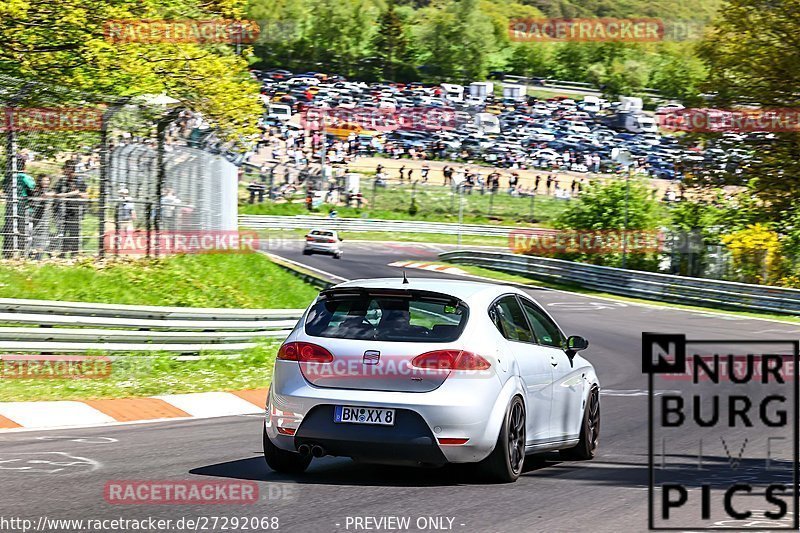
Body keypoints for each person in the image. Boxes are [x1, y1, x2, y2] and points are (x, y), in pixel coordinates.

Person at [54, 160, 88, 257]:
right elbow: (56, 194)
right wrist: (69, 194)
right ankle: (63, 254)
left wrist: (78, 193)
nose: (68, 173)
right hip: (63, 211)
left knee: (75, 233)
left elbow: (85, 195)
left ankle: (74, 254)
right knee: (63, 233)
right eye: (66, 170)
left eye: (71, 170)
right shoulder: (61, 182)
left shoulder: (79, 181)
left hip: (76, 210)